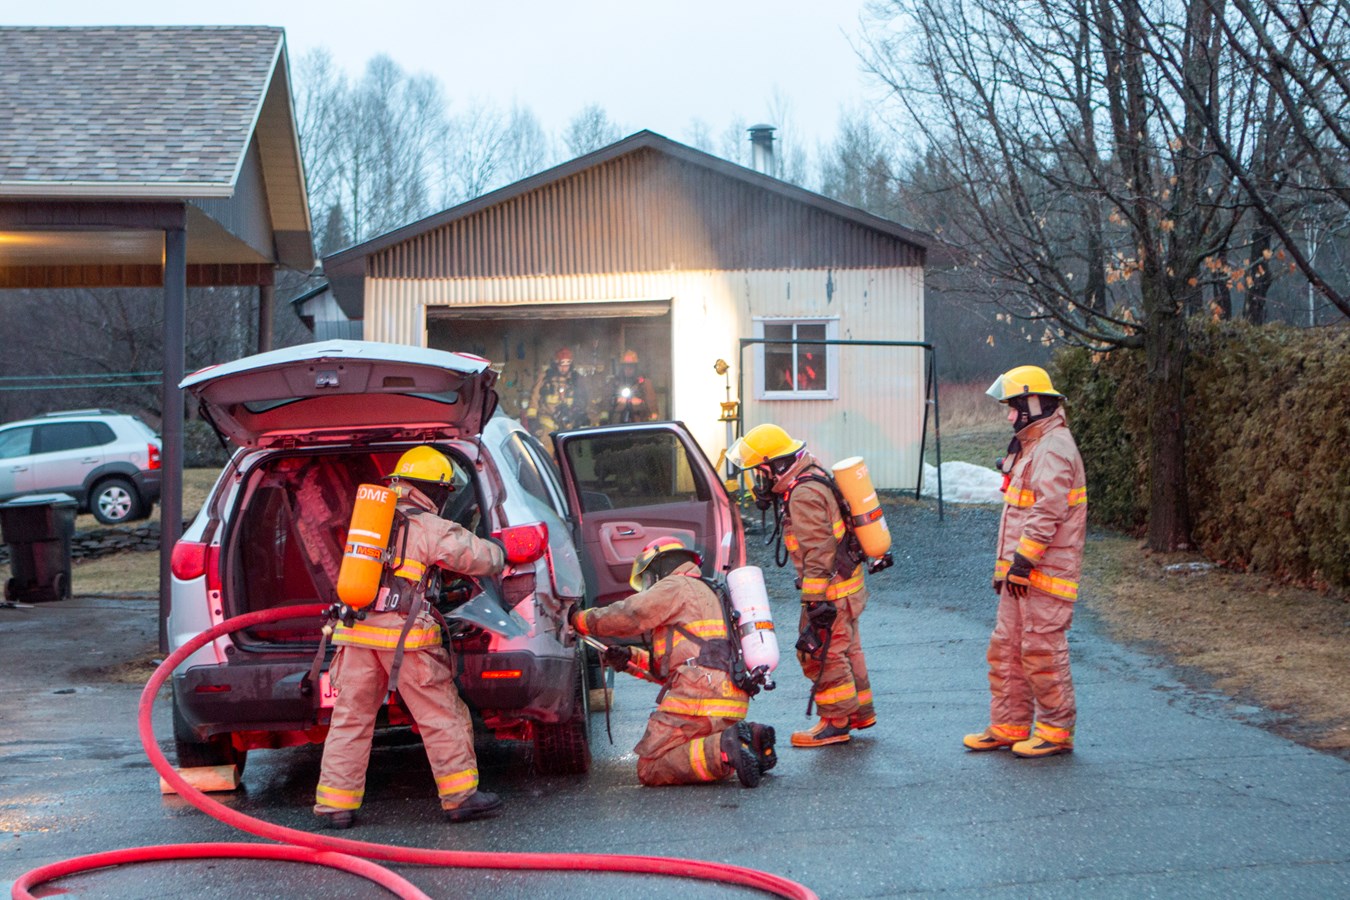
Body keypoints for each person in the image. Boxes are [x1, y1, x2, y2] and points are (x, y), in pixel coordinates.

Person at [314, 446, 507, 828]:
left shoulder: (369, 520)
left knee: (351, 720)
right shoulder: (429, 526)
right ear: (433, 490)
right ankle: (460, 797)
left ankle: (335, 806)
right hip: (407, 641)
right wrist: (500, 551)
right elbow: (478, 558)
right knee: (441, 716)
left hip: (355, 635)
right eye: (445, 492)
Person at [568, 536, 775, 787]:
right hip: (728, 700)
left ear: (660, 567)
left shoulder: (676, 586)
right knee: (686, 750)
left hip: (699, 696)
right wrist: (629, 659)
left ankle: (723, 748)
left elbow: (631, 613)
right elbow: (671, 670)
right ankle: (750, 739)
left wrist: (581, 620)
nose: (647, 586)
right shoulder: (712, 592)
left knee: (651, 766)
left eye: (647, 578)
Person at [964, 365, 1087, 758]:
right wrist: (1009, 568)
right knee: (1007, 648)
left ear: (1033, 404)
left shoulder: (1055, 448)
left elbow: (1047, 512)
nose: (1009, 416)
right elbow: (1018, 515)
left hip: (1044, 573)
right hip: (1023, 571)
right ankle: (1009, 724)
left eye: (1013, 407)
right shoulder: (1034, 446)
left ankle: (1055, 731)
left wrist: (1022, 563)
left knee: (1041, 650)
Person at [728, 424, 874, 748]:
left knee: (822, 654)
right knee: (849, 649)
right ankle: (858, 713)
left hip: (830, 591)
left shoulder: (803, 493)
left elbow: (818, 550)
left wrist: (814, 602)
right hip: (846, 587)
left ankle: (835, 723)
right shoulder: (808, 473)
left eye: (758, 473)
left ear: (774, 466)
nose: (757, 482)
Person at [525, 347, 589, 441]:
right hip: (547, 424)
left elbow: (583, 399)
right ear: (555, 364)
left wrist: (578, 414)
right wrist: (532, 420)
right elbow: (534, 400)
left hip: (568, 425)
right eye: (561, 365)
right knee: (547, 452)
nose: (564, 368)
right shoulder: (545, 379)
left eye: (567, 365)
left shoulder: (576, 380)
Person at [602, 349, 659, 423]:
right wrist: (616, 401)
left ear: (636, 367)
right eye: (625, 366)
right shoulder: (615, 383)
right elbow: (605, 405)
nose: (628, 369)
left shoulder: (644, 383)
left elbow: (652, 408)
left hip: (639, 425)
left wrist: (641, 403)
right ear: (622, 367)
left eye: (631, 366)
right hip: (618, 425)